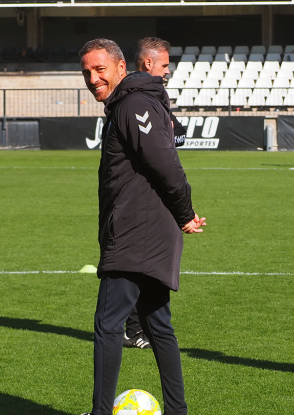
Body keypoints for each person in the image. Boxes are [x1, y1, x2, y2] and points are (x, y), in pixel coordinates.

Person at [57, 38, 205, 415]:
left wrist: (185, 212)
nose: (93, 78)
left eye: (100, 69)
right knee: (157, 323)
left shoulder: (133, 104)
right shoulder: (130, 103)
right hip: (147, 231)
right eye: (86, 72)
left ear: (122, 68)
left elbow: (165, 163)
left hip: (136, 234)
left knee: (108, 323)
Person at [120, 37, 188, 351]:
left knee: (147, 267)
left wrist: (171, 130)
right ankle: (135, 329)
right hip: (142, 198)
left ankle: (141, 328)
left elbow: (172, 133)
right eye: (164, 64)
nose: (168, 70)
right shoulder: (136, 99)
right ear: (148, 63)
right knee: (139, 268)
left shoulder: (153, 95)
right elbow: (153, 152)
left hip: (153, 196)